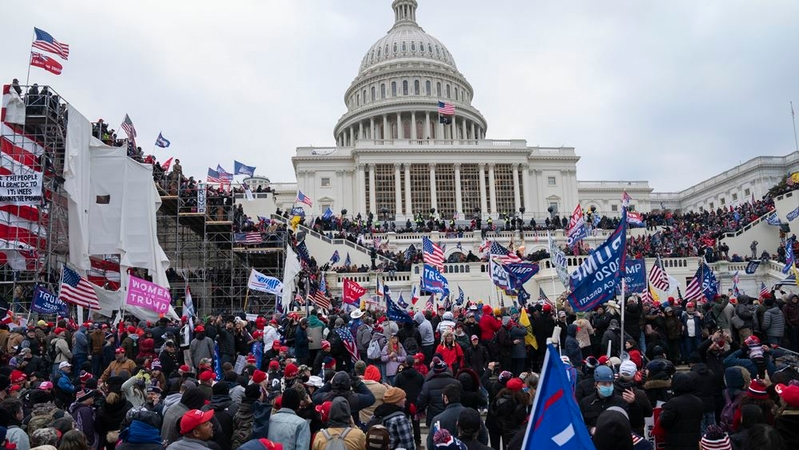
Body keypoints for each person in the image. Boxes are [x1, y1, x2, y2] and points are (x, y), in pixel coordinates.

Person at [427, 384, 488, 450]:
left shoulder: (437, 420)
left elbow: (430, 444)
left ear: (445, 398)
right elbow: (484, 437)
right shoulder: (472, 414)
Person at [657, 372, 703, 450]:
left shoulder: (673, 402)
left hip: (676, 442)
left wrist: (662, 413)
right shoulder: (698, 401)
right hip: (694, 441)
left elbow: (665, 422)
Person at [418, 357, 460, 427]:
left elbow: (422, 401)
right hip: (453, 416)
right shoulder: (456, 383)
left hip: (434, 416)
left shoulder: (428, 385)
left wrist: (420, 411)